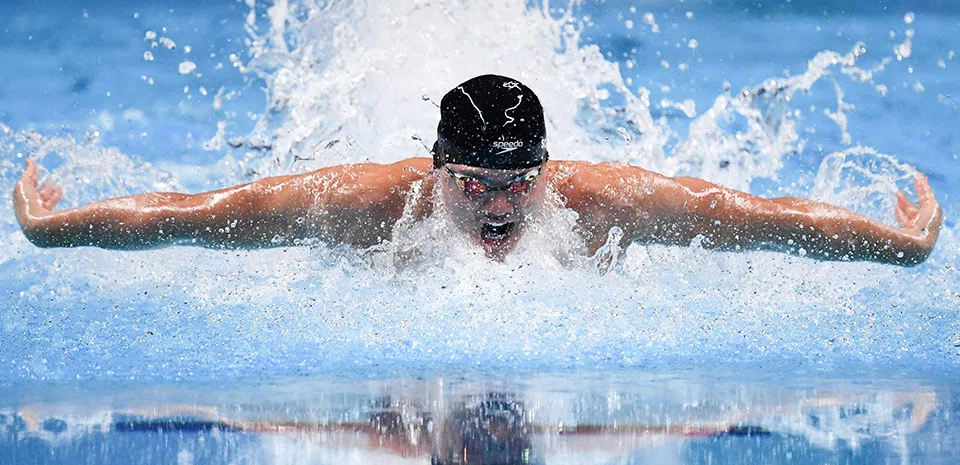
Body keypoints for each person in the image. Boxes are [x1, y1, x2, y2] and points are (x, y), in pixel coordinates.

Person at [12, 74, 943, 265]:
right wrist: (53, 226)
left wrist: (899, 246)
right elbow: (196, 210)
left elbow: (766, 218)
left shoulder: (604, 202)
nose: (499, 207)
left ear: (547, 167)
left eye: (516, 183)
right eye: (475, 184)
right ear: (438, 167)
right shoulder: (370, 206)